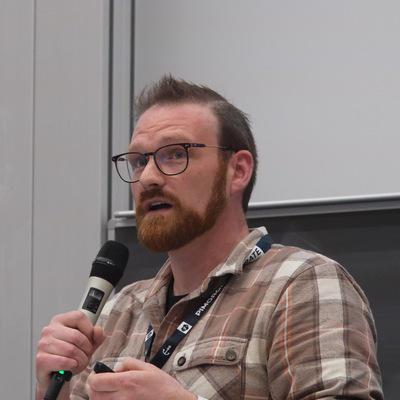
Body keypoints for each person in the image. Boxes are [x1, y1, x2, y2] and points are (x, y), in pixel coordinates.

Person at [36, 76, 383, 399]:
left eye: (175, 154)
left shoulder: (300, 283)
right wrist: (52, 390)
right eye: (139, 161)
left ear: (238, 170)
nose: (148, 177)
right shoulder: (120, 310)